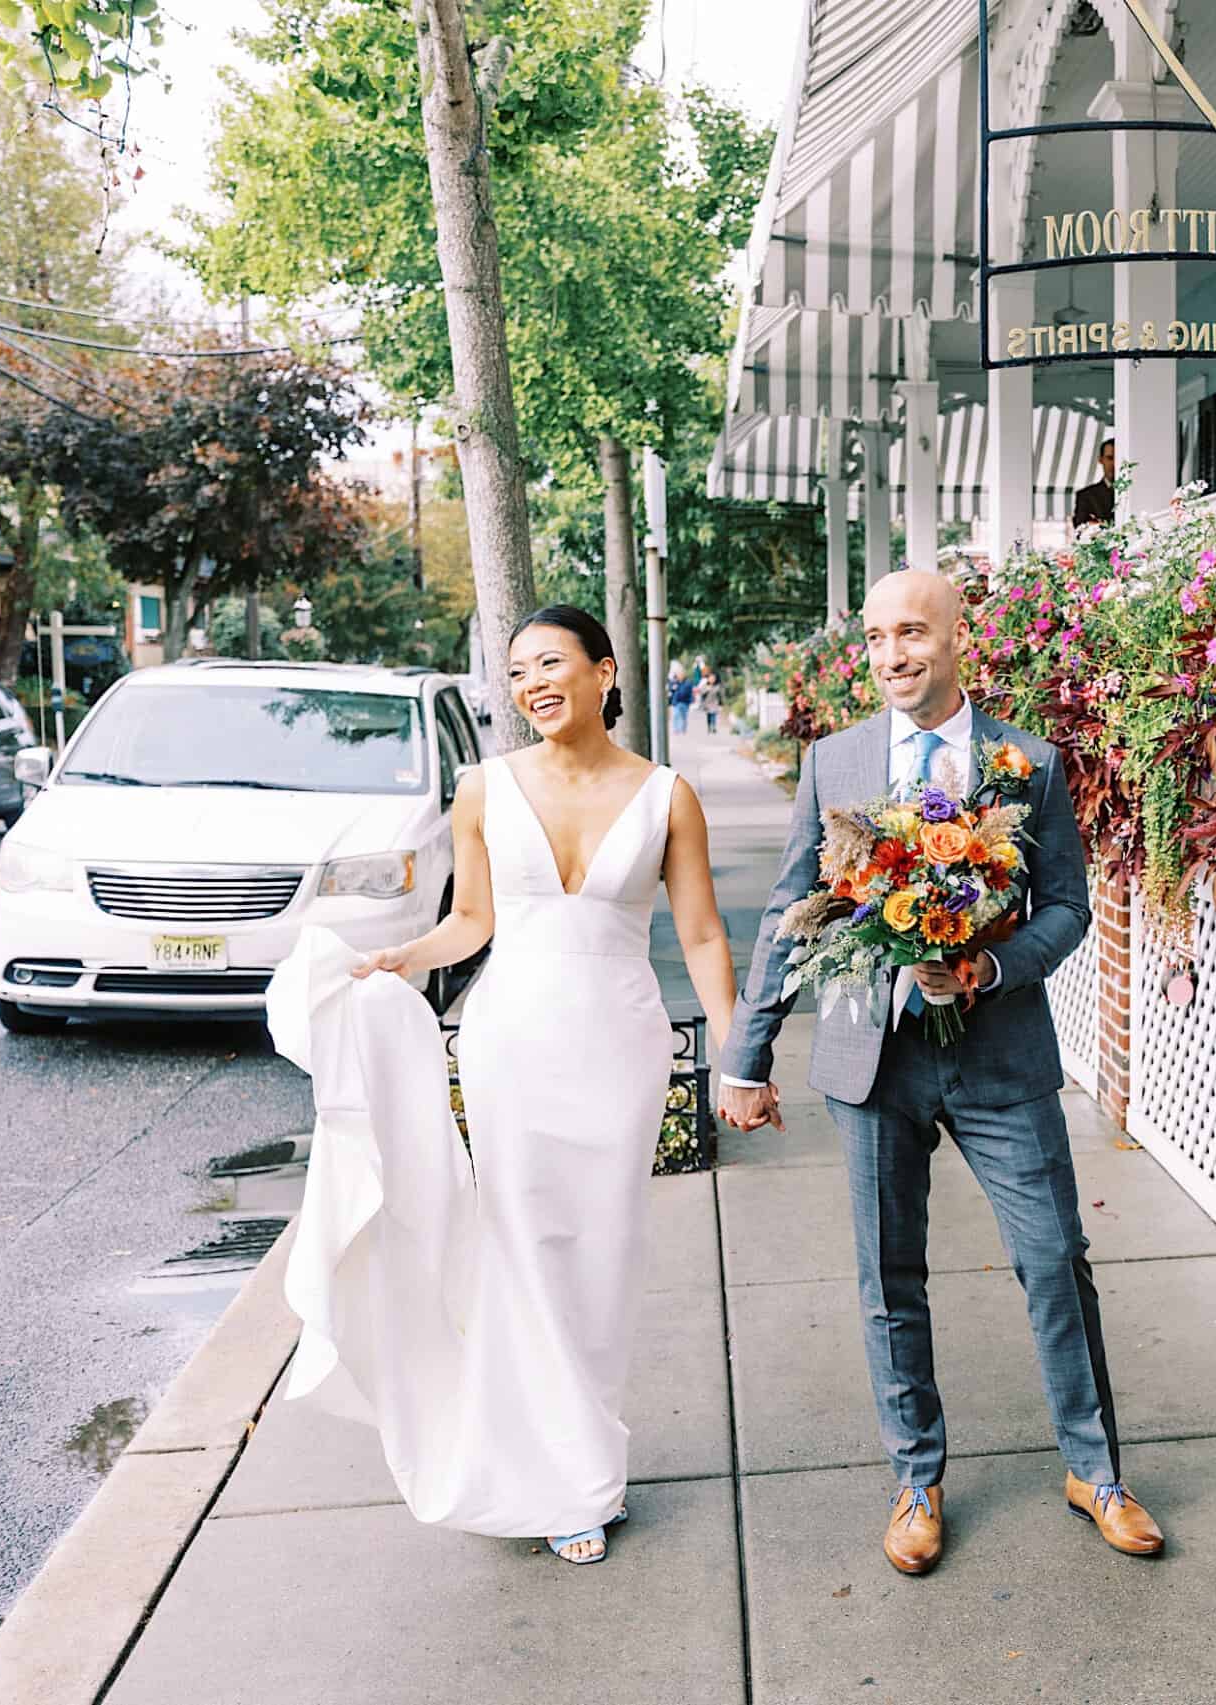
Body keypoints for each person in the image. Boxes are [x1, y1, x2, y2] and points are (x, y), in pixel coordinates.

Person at [265, 604, 743, 1567]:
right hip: (510, 1046)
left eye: (552, 662)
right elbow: (473, 921)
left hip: (619, 1048)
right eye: (517, 669)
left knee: (601, 1256)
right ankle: (568, 1480)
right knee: (522, 1251)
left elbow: (699, 936)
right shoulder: (482, 789)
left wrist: (739, 1056)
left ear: (606, 671)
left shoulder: (667, 797)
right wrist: (404, 956)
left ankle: (578, 1447)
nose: (533, 682)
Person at [719, 568, 1164, 1577]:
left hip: (999, 1052)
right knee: (890, 1276)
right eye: (876, 636)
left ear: (959, 636)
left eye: (910, 631)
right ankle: (916, 1479)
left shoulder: (1027, 762)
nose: (890, 655)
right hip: (872, 1059)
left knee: (1054, 1256)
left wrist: (990, 966)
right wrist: (746, 1058)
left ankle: (1094, 1470)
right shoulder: (834, 762)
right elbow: (789, 913)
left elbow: (1066, 906)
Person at [1069, 437, 1117, 529]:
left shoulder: (1134, 493)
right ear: (1101, 460)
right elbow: (1081, 530)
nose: (1114, 463)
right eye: (1110, 458)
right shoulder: (1086, 496)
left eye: (1118, 458)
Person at [695, 658, 721, 734]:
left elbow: (719, 694)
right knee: (709, 716)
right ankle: (709, 726)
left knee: (714, 715)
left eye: (713, 678)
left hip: (715, 702)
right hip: (707, 703)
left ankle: (714, 727)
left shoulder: (717, 686)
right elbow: (701, 692)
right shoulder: (705, 685)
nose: (712, 680)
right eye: (711, 678)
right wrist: (706, 689)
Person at [667, 659, 693, 735]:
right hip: (676, 702)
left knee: (683, 716)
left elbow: (685, 692)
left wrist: (676, 689)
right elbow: (671, 690)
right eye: (678, 674)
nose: (679, 676)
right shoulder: (674, 682)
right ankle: (676, 729)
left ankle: (683, 729)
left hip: (684, 702)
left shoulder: (687, 683)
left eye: (681, 674)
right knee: (676, 715)